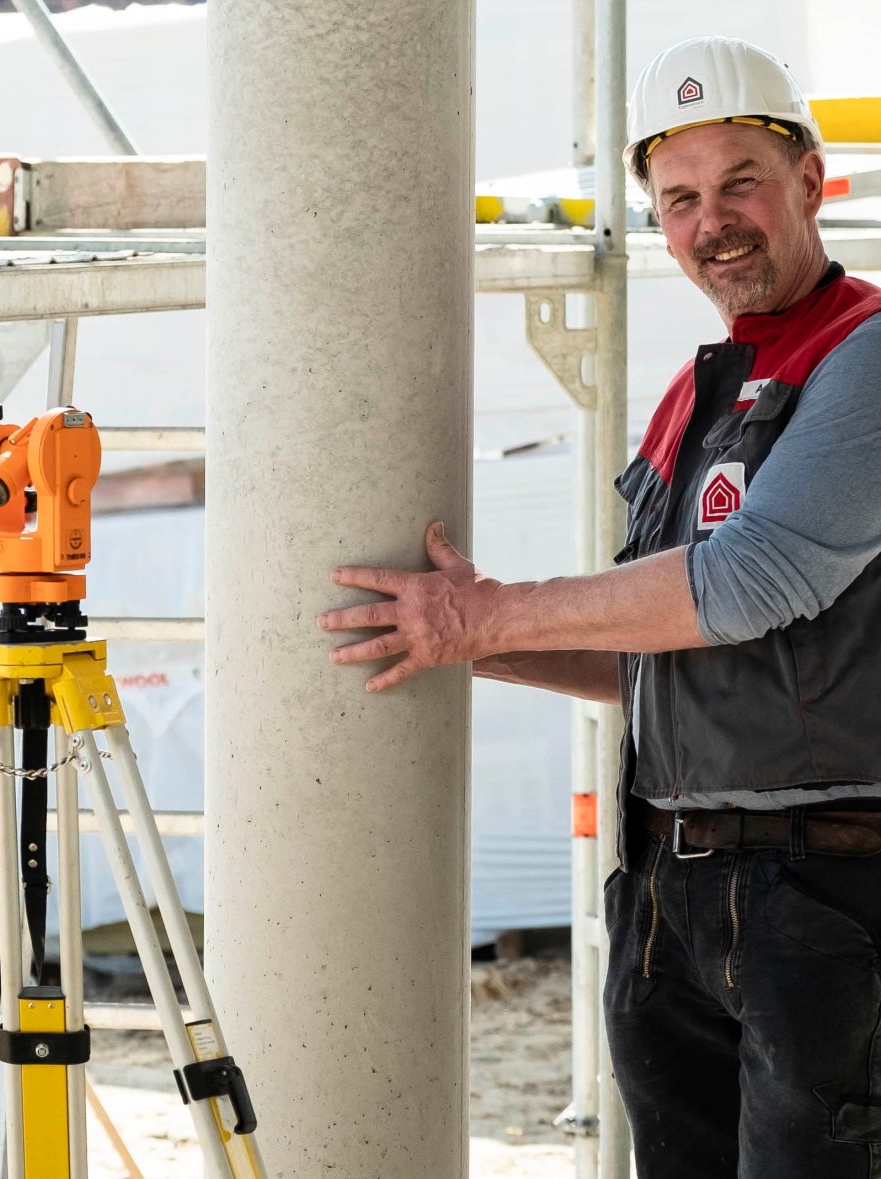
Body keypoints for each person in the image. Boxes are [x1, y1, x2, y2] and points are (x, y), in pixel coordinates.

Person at [317, 35, 881, 1179]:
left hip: (823, 903)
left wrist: (484, 618)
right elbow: (664, 655)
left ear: (812, 182)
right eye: (678, 200)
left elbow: (746, 582)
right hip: (669, 895)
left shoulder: (864, 357)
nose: (710, 222)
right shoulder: (697, 390)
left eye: (739, 185)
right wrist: (481, 643)